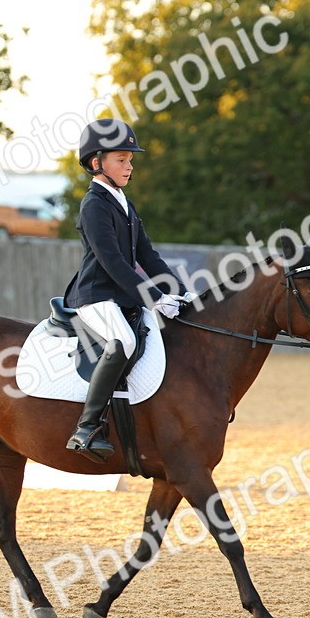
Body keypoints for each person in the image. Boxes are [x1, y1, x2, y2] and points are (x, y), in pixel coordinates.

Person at [62, 118, 195, 462]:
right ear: (97, 163)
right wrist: (154, 297)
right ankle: (87, 427)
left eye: (130, 160)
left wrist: (181, 292)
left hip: (122, 295)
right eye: (121, 159)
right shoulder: (94, 205)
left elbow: (148, 257)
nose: (129, 165)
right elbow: (114, 264)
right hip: (95, 295)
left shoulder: (124, 203)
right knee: (125, 341)